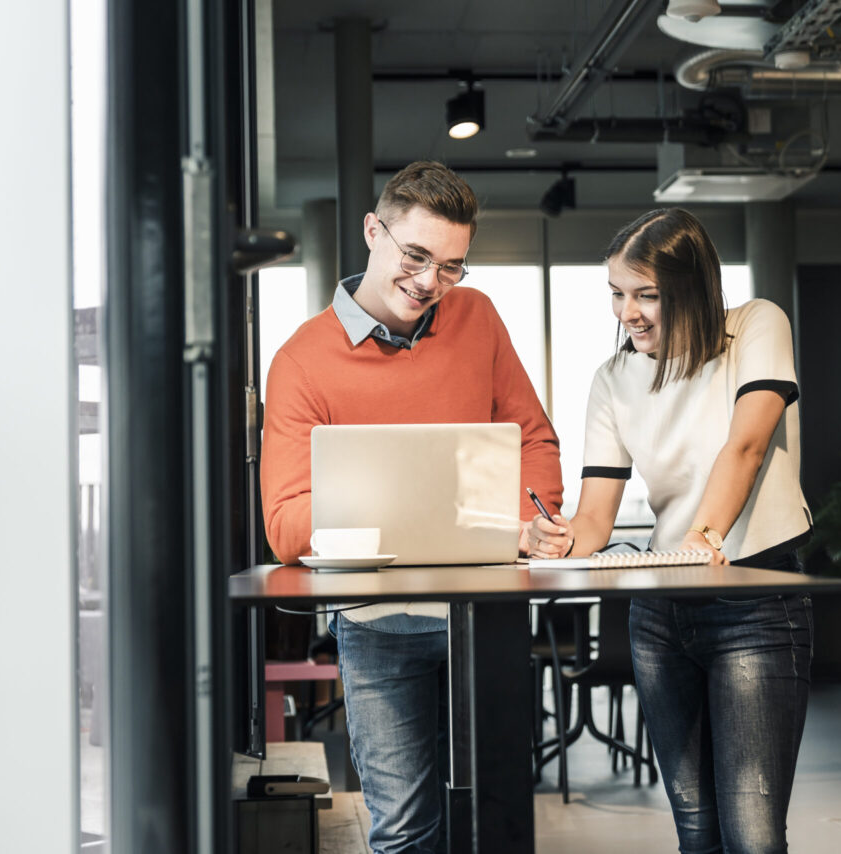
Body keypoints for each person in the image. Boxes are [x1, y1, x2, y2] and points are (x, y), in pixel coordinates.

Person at [260, 161, 562, 854]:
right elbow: (284, 525)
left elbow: (534, 440)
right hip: (376, 626)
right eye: (416, 255)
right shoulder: (302, 361)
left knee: (499, 823)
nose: (431, 282)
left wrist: (530, 520)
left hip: (485, 615)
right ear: (374, 231)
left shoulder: (477, 316)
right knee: (404, 832)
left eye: (452, 266)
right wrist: (416, 509)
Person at [527, 208, 813, 854]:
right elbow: (595, 518)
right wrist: (555, 537)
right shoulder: (613, 378)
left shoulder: (756, 327)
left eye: (645, 295)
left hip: (753, 602)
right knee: (697, 832)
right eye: (617, 295)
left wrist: (703, 534)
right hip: (659, 614)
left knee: (753, 836)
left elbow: (745, 446)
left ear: (692, 286)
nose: (627, 313)